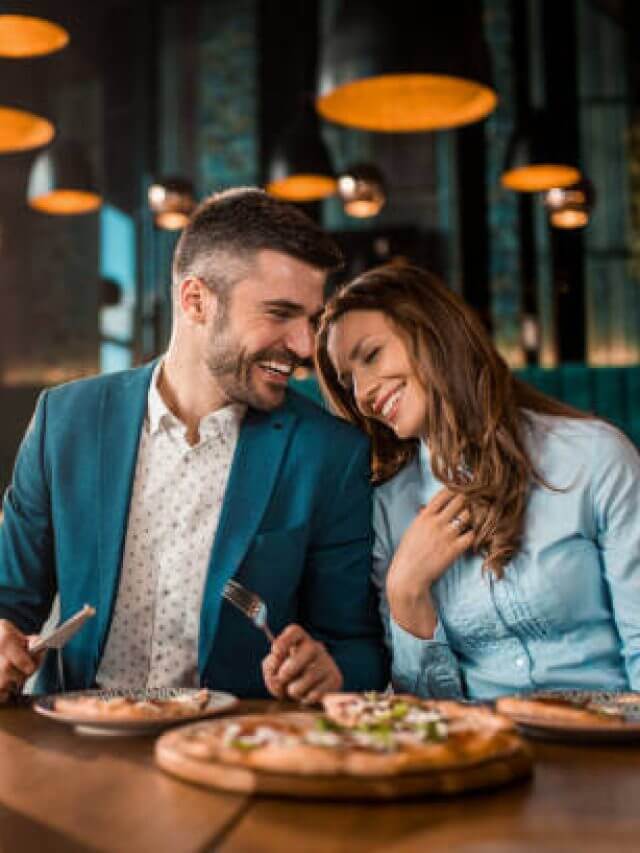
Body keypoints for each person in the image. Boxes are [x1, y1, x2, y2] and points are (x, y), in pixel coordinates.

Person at [0, 188, 388, 703]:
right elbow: (9, 601)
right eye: (279, 313)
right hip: (78, 738)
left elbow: (360, 647)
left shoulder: (331, 454)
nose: (302, 347)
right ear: (196, 300)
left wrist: (330, 670)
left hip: (231, 749)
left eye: (311, 320)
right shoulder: (63, 421)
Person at [315, 262, 640, 699]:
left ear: (433, 332)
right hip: (480, 751)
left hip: (604, 746)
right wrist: (406, 589)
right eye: (348, 380)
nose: (364, 392)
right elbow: (426, 710)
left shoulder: (593, 457)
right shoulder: (388, 509)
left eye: (371, 355)